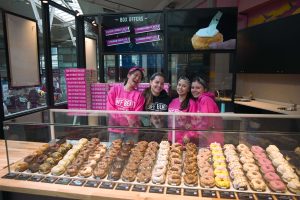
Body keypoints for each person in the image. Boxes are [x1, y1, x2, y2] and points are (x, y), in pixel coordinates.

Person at [106, 67, 145, 142]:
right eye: (135, 75)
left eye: (140, 78)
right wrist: (125, 118)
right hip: (115, 130)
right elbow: (110, 109)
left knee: (132, 152)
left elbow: (135, 115)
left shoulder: (139, 96)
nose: (137, 78)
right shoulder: (114, 90)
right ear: (129, 75)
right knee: (114, 152)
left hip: (131, 132)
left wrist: (124, 118)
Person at [190, 76, 224, 146]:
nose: (194, 90)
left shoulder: (205, 100)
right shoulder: (199, 100)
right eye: (192, 87)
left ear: (205, 89)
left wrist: (193, 135)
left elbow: (207, 122)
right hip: (206, 138)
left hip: (212, 140)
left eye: (198, 88)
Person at [168, 76, 197, 144]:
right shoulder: (172, 102)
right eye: (179, 84)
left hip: (184, 141)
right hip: (171, 139)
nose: (180, 88)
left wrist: (188, 135)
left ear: (188, 89)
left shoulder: (192, 103)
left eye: (184, 86)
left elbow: (195, 123)